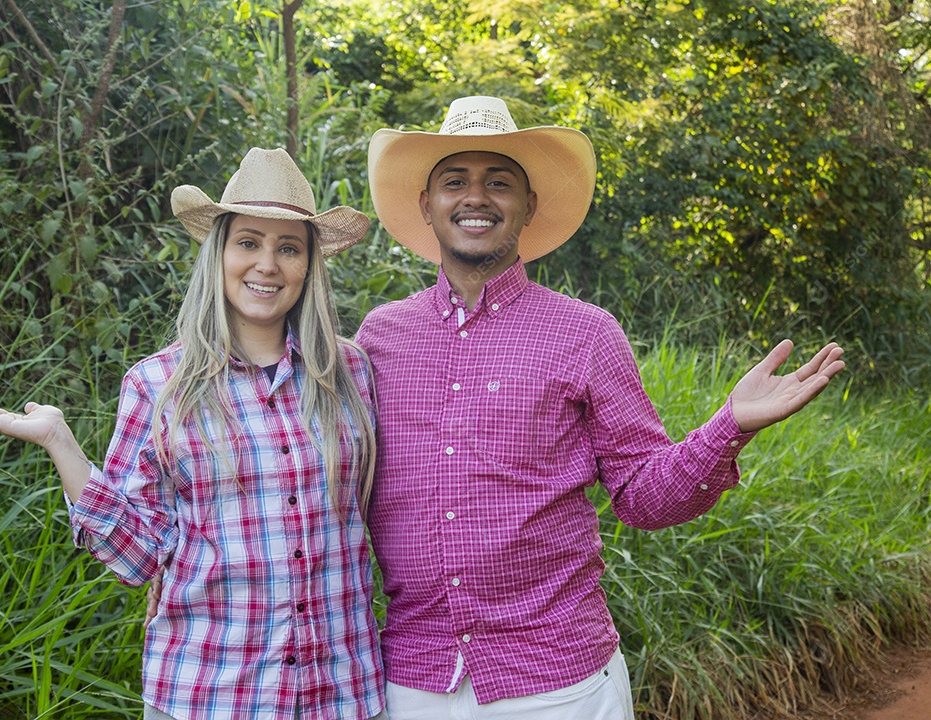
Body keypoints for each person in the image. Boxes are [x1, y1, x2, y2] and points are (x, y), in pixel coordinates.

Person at [355, 96, 846, 719]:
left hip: (558, 683)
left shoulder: (585, 334)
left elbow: (642, 496)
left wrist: (729, 427)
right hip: (414, 681)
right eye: (455, 181)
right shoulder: (380, 337)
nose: (475, 197)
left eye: (498, 182)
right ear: (427, 204)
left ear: (529, 206)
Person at [0, 147, 386, 720]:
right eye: (249, 242)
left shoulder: (351, 375)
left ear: (309, 265)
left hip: (341, 691)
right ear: (219, 254)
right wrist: (61, 442)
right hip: (207, 691)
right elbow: (141, 555)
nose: (268, 264)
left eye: (289, 247)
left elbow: (387, 515)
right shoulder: (159, 385)